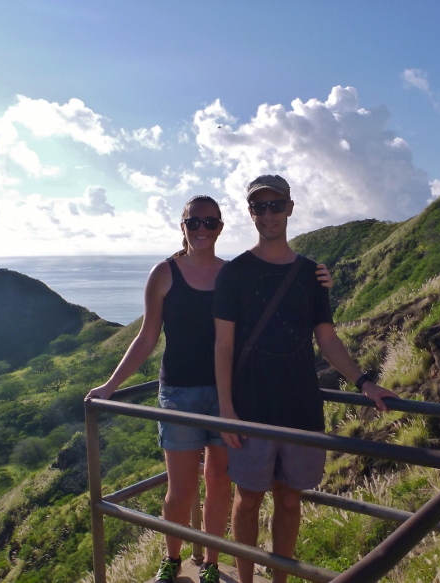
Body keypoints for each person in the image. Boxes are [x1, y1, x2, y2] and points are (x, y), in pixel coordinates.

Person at [85, 195, 334, 583]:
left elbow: (279, 297)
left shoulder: (231, 273)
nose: (202, 229)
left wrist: (321, 278)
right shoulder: (164, 274)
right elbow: (147, 336)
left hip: (227, 394)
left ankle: (212, 565)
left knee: (219, 485)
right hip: (180, 394)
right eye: (194, 222)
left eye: (210, 223)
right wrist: (111, 385)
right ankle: (172, 559)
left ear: (220, 227)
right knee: (180, 490)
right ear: (182, 226)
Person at [213, 175, 399, 583]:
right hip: (250, 407)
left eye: (275, 205)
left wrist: (364, 382)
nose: (267, 214)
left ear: (290, 208)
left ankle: (278, 579)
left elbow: (327, 338)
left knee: (289, 500)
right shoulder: (235, 273)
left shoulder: (312, 274)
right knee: (246, 502)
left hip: (300, 406)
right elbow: (223, 345)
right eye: (259, 207)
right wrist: (226, 409)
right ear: (250, 213)